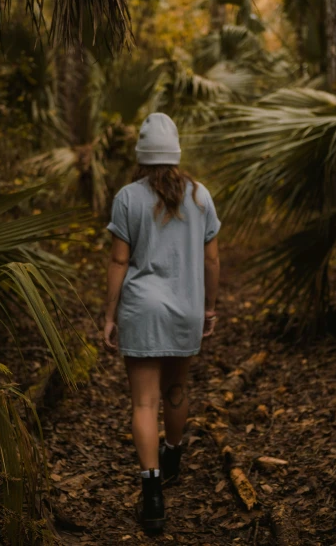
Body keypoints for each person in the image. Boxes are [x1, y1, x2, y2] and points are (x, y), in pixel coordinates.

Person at [103, 113, 221, 532]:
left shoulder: (128, 197)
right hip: (186, 307)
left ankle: (152, 495)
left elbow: (120, 259)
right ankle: (172, 453)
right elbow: (211, 259)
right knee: (176, 389)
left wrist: (109, 313)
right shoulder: (200, 196)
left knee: (143, 403)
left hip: (142, 309)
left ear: (142, 155)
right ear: (175, 153)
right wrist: (208, 308)